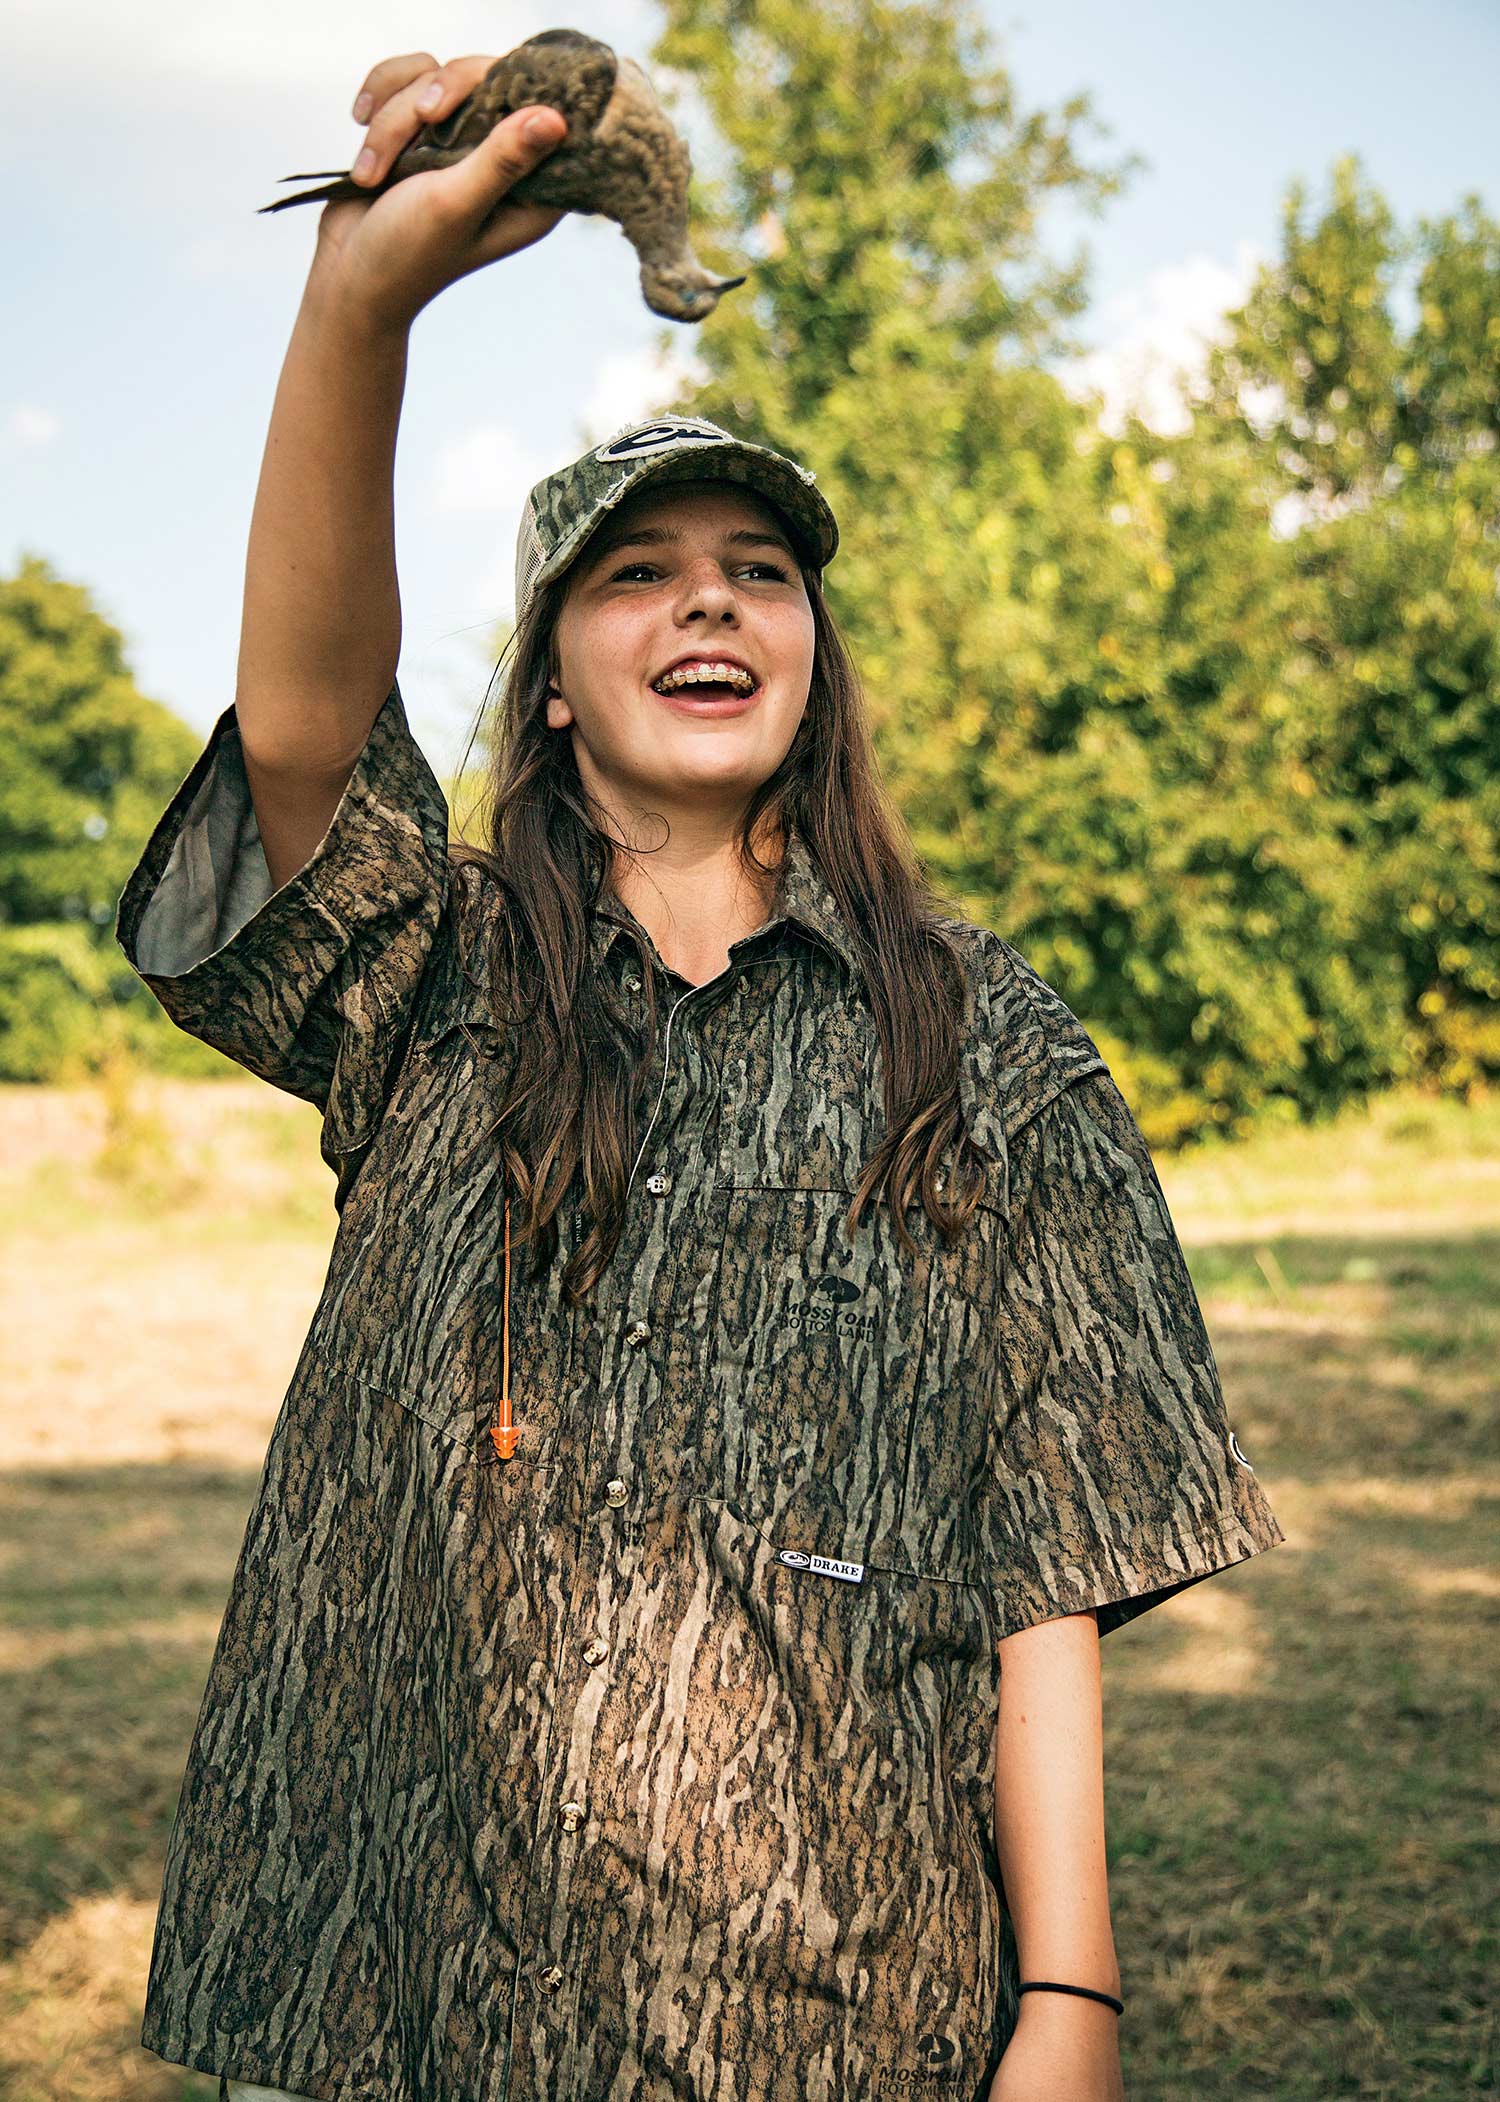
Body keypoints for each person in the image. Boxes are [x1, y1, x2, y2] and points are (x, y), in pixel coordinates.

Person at [114, 48, 1286, 2102]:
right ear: (554, 689)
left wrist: (1072, 2004)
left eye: (759, 567)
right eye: (638, 573)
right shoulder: (438, 974)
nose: (712, 600)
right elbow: (302, 719)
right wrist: (356, 306)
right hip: (401, 1994)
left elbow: (1052, 1565)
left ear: (809, 656)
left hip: (828, 2004)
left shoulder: (985, 1036)